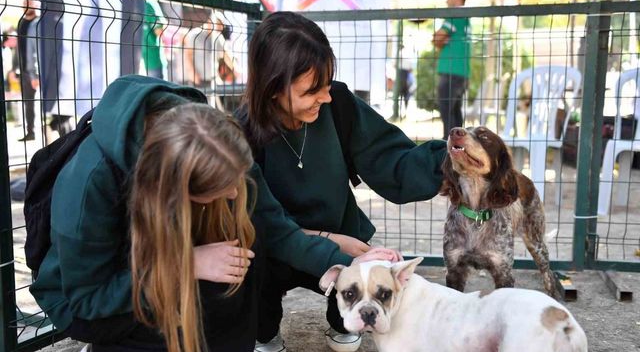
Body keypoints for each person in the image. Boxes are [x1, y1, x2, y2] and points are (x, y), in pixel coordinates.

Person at [30, 75, 397, 352]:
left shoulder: (217, 139)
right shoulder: (90, 183)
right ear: (176, 189)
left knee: (243, 265)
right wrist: (185, 263)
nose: (237, 192)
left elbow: (274, 225)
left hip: (164, 258)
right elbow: (87, 298)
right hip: (93, 297)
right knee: (171, 315)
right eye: (223, 187)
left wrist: (343, 266)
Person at [237, 11, 446, 352]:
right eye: (311, 90)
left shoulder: (340, 105)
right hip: (278, 247)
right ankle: (264, 329)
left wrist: (447, 163)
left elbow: (390, 159)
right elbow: (265, 225)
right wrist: (333, 242)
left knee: (358, 309)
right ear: (273, 88)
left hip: (345, 241)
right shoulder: (241, 133)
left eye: (327, 84)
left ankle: (342, 320)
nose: (326, 97)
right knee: (251, 259)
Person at [433, 0, 471, 139]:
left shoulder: (455, 14)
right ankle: (458, 151)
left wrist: (440, 39)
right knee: (455, 116)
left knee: (448, 116)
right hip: (461, 73)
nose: (446, 0)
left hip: (450, 72)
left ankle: (447, 152)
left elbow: (437, 38)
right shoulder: (465, 17)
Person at [16, 0, 40, 142]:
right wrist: (15, 68)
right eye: (24, 3)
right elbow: (19, 48)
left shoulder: (39, 23)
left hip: (36, 71)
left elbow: (36, 50)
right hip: (24, 69)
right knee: (28, 102)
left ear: (35, 4)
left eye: (29, 2)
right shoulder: (21, 22)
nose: (26, 5)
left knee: (44, 101)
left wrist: (35, 74)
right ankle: (30, 131)